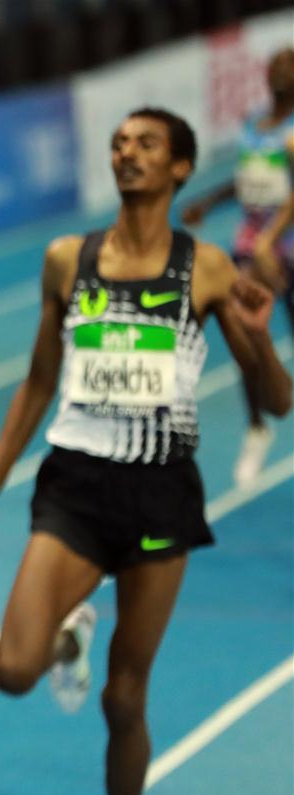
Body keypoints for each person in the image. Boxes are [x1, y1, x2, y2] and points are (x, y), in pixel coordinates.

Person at [0, 108, 292, 795]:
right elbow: (38, 381)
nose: (127, 153)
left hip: (159, 496)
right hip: (73, 486)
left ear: (180, 168)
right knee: (12, 668)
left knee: (124, 693)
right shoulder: (68, 261)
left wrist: (261, 337)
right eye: (119, 144)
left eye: (146, 145)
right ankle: (68, 628)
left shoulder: (204, 268)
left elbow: (275, 401)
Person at [182, 47, 294, 488]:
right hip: (252, 247)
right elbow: (246, 182)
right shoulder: (254, 127)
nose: (281, 74)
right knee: (246, 332)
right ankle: (256, 427)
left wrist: (270, 239)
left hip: (284, 245)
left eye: (288, 68)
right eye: (275, 68)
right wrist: (207, 201)